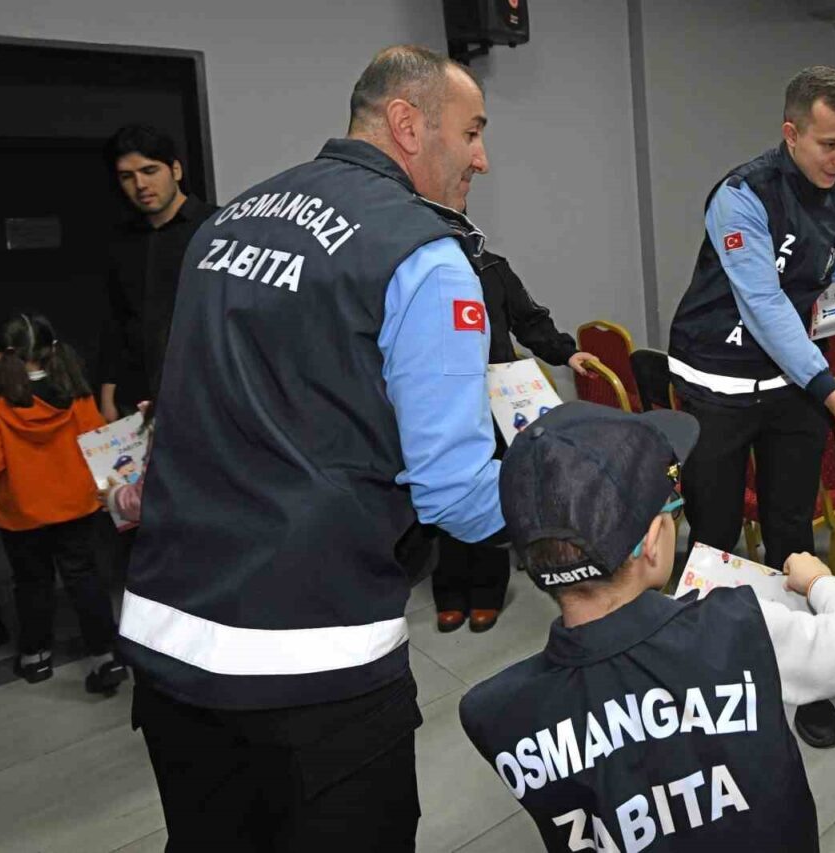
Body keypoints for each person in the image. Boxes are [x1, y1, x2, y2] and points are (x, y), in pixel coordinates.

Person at [116, 45, 505, 851]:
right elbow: (456, 494)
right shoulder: (426, 256)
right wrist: (599, 500)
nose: (482, 157)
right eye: (470, 132)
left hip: (168, 635)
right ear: (407, 123)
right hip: (312, 659)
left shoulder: (225, 222)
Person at [458, 401, 835, 851]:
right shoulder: (744, 629)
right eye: (673, 511)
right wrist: (817, 580)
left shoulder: (495, 713)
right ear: (654, 542)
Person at [666, 65, 835, 752]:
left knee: (794, 534)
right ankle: (714, 677)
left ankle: (810, 679)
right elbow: (763, 304)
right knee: (715, 535)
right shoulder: (742, 195)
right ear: (791, 133)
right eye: (828, 143)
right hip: (717, 381)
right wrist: (833, 390)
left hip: (791, 385)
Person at [433, 250, 597, 633]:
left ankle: (488, 591)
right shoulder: (421, 270)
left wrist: (567, 353)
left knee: (492, 489)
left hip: (494, 399)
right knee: (448, 490)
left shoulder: (491, 267)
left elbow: (530, 322)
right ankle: (450, 591)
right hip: (442, 400)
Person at [0, 313, 128, 694]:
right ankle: (106, 657)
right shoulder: (75, 391)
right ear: (53, 351)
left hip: (21, 511)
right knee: (84, 577)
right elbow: (96, 440)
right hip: (76, 505)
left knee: (31, 583)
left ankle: (35, 658)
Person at [99, 125, 216, 422]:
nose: (140, 184)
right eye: (127, 176)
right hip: (136, 394)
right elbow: (116, 320)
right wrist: (107, 393)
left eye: (149, 170)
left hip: (205, 389)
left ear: (175, 170)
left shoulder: (218, 227)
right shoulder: (121, 242)